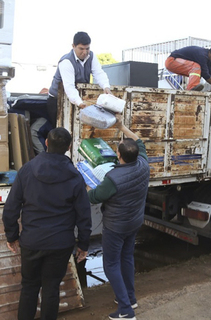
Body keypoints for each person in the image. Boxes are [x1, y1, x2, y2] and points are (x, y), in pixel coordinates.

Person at [2, 127, 92, 320]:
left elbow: (11, 208)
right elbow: (84, 215)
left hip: (32, 241)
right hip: (60, 244)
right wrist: (83, 244)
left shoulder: (27, 170)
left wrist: (12, 236)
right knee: (51, 289)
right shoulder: (75, 177)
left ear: (46, 143)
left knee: (29, 287)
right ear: (68, 147)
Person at [87, 115, 150, 320]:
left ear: (118, 155)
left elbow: (95, 197)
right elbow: (138, 141)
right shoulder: (143, 165)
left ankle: (125, 309)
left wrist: (87, 186)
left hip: (115, 226)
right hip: (133, 222)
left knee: (111, 264)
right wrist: (121, 126)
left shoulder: (113, 178)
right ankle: (130, 298)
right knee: (127, 257)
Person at [47, 31, 112, 127]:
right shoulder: (66, 61)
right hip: (57, 101)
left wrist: (106, 87)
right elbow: (69, 87)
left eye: (87, 48)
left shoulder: (92, 56)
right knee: (59, 130)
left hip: (77, 99)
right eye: (81, 49)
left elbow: (98, 73)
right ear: (73, 46)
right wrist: (80, 103)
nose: (85, 52)